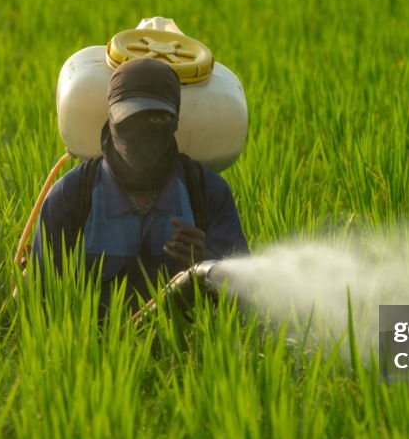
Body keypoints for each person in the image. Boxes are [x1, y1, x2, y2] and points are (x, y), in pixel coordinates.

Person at [31, 57, 248, 314]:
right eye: (129, 118)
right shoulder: (72, 195)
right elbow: (38, 299)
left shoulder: (206, 192)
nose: (142, 131)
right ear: (110, 118)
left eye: (156, 119)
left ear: (176, 121)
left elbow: (243, 298)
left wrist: (204, 260)